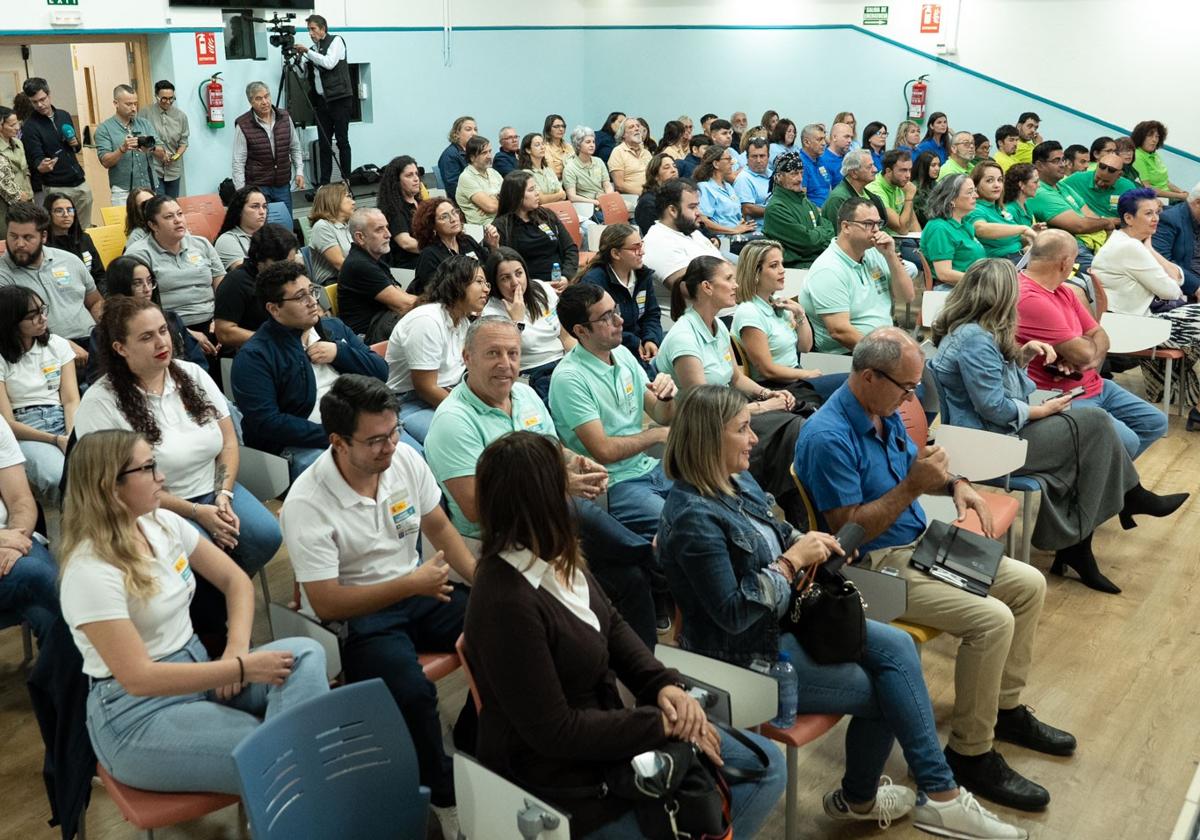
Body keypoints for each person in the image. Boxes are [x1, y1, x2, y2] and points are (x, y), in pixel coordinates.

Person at [661, 385, 1026, 838]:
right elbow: (734, 614)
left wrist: (807, 543)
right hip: (744, 657)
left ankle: (926, 796)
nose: (754, 439)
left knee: (900, 647)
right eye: (742, 430)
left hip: (784, 622)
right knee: (887, 694)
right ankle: (907, 797)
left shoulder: (735, 481)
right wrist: (792, 560)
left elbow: (778, 528)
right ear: (707, 440)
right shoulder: (694, 518)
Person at [796, 327, 1074, 813]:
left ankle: (1003, 710)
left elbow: (920, 466)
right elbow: (846, 537)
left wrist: (956, 485)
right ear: (867, 377)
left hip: (921, 542)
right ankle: (971, 751)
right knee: (993, 620)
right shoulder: (826, 436)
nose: (911, 398)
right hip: (874, 568)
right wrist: (912, 487)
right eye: (905, 388)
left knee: (1028, 585)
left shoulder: (883, 410)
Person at [464, 428, 787, 839]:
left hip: (608, 733)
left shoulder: (555, 554)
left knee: (766, 768)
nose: (575, 494)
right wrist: (661, 724)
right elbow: (555, 732)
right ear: (545, 501)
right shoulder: (505, 601)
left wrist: (664, 686)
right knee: (732, 789)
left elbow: (612, 625)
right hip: (562, 777)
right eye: (564, 483)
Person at [60, 429, 328, 795]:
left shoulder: (161, 523)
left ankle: (287, 785)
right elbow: (138, 678)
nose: (162, 477)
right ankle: (293, 781)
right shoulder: (89, 570)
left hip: (201, 671)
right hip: (139, 714)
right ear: (111, 486)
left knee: (306, 654)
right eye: (148, 468)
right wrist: (239, 667)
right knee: (272, 756)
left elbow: (236, 581)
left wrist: (236, 649)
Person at [278, 374, 476, 840]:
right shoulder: (307, 501)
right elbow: (326, 600)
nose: (390, 447)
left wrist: (481, 582)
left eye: (394, 432)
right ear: (338, 443)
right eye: (375, 441)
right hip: (356, 614)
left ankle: (476, 740)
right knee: (411, 692)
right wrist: (409, 583)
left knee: (501, 629)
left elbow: (440, 527)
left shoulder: (403, 459)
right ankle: (441, 795)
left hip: (417, 589)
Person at [931, 258, 1187, 593]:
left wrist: (1022, 357)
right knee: (1093, 426)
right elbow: (995, 408)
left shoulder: (973, 331)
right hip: (987, 441)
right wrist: (1042, 411)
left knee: (1087, 444)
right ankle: (1122, 502)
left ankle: (1080, 543)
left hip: (990, 431)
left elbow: (1001, 392)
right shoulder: (976, 338)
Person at [424, 315, 659, 644]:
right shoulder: (453, 421)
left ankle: (645, 677)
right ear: (467, 357)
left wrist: (576, 461)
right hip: (499, 541)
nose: (506, 364)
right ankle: (654, 555)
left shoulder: (525, 396)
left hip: (546, 526)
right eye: (493, 353)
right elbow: (479, 509)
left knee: (631, 578)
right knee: (578, 513)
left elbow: (552, 448)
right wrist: (558, 487)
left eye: (513, 354)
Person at [76, 297, 283, 643]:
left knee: (266, 535)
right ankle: (203, 622)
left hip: (212, 491)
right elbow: (122, 485)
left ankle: (205, 597)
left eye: (163, 331)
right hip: (149, 506)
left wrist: (223, 495)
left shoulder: (192, 374)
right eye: (146, 338)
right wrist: (197, 512)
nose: (161, 343)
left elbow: (229, 442)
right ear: (120, 348)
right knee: (202, 560)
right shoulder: (100, 402)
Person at [657, 256, 809, 521]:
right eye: (728, 279)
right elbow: (704, 407)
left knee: (799, 417)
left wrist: (767, 393)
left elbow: (737, 378)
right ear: (706, 287)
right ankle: (798, 513)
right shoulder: (684, 337)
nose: (736, 285)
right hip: (703, 426)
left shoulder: (717, 327)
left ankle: (799, 509)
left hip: (729, 411)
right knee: (792, 429)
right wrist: (763, 407)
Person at [1016, 230, 1168, 459]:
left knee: (1154, 422)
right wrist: (1085, 353)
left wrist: (1088, 360)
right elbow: (1086, 349)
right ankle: (1099, 487)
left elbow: (1100, 334)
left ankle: (1101, 485)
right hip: (1057, 395)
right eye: (1074, 260)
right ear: (1065, 262)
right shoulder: (1030, 298)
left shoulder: (1063, 290)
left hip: (1091, 384)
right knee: (1126, 440)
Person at [232, 261, 387, 480]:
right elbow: (268, 423)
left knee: (411, 458)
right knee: (352, 477)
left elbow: (381, 372)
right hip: (302, 443)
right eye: (300, 297)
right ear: (274, 309)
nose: (313, 301)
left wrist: (339, 353)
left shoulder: (333, 328)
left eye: (312, 291)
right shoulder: (255, 356)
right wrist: (335, 436)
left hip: (360, 425)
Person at [550, 282, 677, 546]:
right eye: (606, 317)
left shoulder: (621, 354)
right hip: (615, 484)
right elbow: (604, 451)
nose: (619, 320)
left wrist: (667, 397)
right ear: (581, 331)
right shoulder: (569, 378)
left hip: (649, 467)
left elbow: (662, 414)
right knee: (680, 526)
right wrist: (655, 435)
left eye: (615, 310)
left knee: (717, 497)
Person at [1093, 187, 1200, 425]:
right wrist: (1151, 254)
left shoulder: (1131, 243)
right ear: (1129, 218)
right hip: (1132, 327)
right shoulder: (1129, 247)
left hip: (1137, 320)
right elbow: (1173, 289)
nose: (1156, 219)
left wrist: (1151, 251)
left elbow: (1177, 280)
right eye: (1148, 213)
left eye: (1157, 212)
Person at [386, 255, 489, 444]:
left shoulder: (463, 321)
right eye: (479, 282)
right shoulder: (427, 320)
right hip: (410, 402)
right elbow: (425, 387)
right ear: (458, 283)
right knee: (465, 439)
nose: (486, 289)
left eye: (487, 283)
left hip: (449, 393)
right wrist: (468, 411)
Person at [799, 198, 914, 353]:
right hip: (849, 355)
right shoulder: (828, 269)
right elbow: (840, 332)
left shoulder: (875, 252)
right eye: (868, 224)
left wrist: (891, 256)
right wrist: (884, 354)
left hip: (885, 342)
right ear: (846, 227)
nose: (876, 230)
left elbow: (906, 298)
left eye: (878, 224)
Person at [0, 286, 77, 504]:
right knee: (57, 477)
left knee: (106, 468)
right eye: (33, 316)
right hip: (25, 429)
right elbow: (6, 423)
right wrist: (54, 439)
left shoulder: (58, 345)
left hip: (65, 419)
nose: (42, 319)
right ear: (11, 322)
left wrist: (71, 436)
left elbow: (71, 400)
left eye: (43, 310)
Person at [731, 239, 835, 394]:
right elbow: (767, 370)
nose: (782, 270)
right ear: (755, 273)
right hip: (776, 387)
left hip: (795, 377)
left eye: (781, 263)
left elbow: (804, 347)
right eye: (774, 265)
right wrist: (807, 374)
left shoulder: (777, 302)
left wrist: (800, 314)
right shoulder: (749, 313)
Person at [0, 202, 101, 355]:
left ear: (44, 237)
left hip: (93, 340)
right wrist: (63, 347)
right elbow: (12, 329)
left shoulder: (69, 260)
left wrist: (106, 329)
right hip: (46, 352)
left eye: (28, 237)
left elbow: (95, 301)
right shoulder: (3, 274)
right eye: (13, 236)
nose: (19, 244)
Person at [89, 253, 209, 381]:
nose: (147, 289)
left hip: (183, 386)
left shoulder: (172, 319)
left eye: (149, 281)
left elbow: (199, 364)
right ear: (121, 286)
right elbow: (98, 378)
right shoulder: (103, 332)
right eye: (137, 283)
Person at [126, 196, 224, 341]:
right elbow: (139, 304)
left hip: (212, 321)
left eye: (180, 214)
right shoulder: (139, 254)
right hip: (167, 328)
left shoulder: (201, 244)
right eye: (169, 217)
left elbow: (221, 281)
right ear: (153, 225)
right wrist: (182, 332)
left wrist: (222, 319)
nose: (178, 220)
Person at [480, 247, 573, 401]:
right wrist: (517, 320)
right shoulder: (492, 313)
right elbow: (507, 357)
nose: (515, 283)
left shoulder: (541, 289)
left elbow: (566, 335)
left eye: (519, 273)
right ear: (495, 283)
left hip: (564, 362)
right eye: (505, 278)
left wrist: (580, 362)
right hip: (533, 372)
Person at [0, 412, 58, 652]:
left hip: (13, 539)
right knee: (36, 573)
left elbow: (21, 500)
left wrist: (16, 542)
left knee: (47, 617)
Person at [577, 223, 662, 368]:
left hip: (641, 346)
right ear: (616, 253)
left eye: (641, 245)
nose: (642, 252)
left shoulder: (643, 275)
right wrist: (636, 342)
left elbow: (651, 313)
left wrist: (651, 339)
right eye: (635, 248)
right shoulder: (594, 283)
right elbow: (602, 329)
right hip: (612, 352)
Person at [1026, 141, 1116, 274]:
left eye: (1062, 159)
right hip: (1069, 248)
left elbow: (1090, 216)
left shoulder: (1062, 186)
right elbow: (1079, 226)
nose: (1063, 164)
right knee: (1106, 276)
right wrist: (1107, 222)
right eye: (1056, 160)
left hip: (1092, 242)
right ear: (1039, 165)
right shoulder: (1039, 192)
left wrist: (1104, 224)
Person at [20, 78, 92, 228]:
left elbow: (75, 147)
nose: (40, 105)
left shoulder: (64, 115)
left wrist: (75, 144)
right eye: (34, 102)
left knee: (84, 230)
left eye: (42, 99)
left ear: (49, 94)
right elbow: (36, 159)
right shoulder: (30, 126)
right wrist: (42, 165)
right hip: (56, 186)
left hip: (79, 181)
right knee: (61, 230)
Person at [213, 223, 297, 351]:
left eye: (290, 263)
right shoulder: (236, 282)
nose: (286, 270)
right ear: (260, 259)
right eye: (278, 264)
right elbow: (224, 332)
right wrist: (271, 340)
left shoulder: (291, 275)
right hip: (252, 352)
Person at [338, 207, 417, 342]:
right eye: (379, 229)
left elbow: (399, 295)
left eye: (386, 227)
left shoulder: (373, 259)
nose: (388, 234)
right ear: (360, 237)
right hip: (368, 337)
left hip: (383, 324)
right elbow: (403, 304)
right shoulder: (359, 264)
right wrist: (442, 303)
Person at [295, 14, 353, 187]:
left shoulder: (336, 41)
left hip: (340, 99)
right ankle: (324, 184)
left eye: (313, 29)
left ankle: (346, 180)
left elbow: (329, 63)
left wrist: (307, 52)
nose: (310, 33)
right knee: (324, 145)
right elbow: (303, 74)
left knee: (342, 140)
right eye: (308, 30)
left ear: (323, 28)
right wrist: (298, 60)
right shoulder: (313, 49)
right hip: (322, 102)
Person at [641, 179, 723, 300]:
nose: (698, 212)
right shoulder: (659, 242)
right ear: (672, 210)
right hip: (698, 316)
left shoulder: (692, 232)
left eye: (697, 206)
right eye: (692, 207)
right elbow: (693, 291)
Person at [231, 82, 304, 216]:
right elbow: (238, 162)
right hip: (258, 187)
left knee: (285, 224)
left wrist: (299, 171)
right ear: (250, 101)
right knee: (262, 228)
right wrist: (241, 193)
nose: (264, 102)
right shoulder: (243, 124)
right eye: (258, 99)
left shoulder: (285, 118)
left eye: (267, 96)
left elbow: (295, 147)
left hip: (282, 184)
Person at [493, 172, 578, 286]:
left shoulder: (546, 215)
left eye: (536, 188)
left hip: (560, 281)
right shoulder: (502, 226)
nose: (537, 193)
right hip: (529, 288)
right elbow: (505, 268)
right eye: (531, 190)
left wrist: (566, 277)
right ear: (517, 195)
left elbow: (570, 248)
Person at [762, 152, 835, 269]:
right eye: (794, 174)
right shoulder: (776, 209)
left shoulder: (804, 201)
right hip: (795, 270)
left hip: (818, 262)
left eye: (801, 173)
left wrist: (816, 237)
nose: (800, 179)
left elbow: (830, 229)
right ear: (779, 176)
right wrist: (820, 234)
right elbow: (808, 242)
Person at [412, 198, 497, 297]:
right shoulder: (429, 255)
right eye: (444, 217)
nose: (453, 219)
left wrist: (494, 246)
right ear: (432, 226)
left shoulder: (467, 241)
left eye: (454, 212)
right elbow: (435, 293)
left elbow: (491, 270)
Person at [921, 174, 988, 288]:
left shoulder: (964, 224)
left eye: (975, 191)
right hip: (951, 290)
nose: (976, 196)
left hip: (969, 286)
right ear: (952, 199)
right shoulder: (939, 228)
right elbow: (944, 274)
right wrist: (984, 281)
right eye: (969, 192)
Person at [95, 84, 157, 207]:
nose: (134, 108)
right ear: (116, 103)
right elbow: (105, 162)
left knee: (152, 224)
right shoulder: (104, 129)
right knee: (124, 225)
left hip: (149, 187)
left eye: (135, 103)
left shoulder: (145, 124)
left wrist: (151, 148)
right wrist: (122, 149)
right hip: (122, 191)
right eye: (128, 104)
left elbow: (162, 152)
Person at [967, 161, 1038, 263]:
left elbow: (1010, 240)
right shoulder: (975, 208)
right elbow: (980, 229)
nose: (997, 185)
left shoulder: (999, 209)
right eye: (989, 180)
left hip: (1018, 257)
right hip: (999, 265)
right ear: (975, 185)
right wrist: (1023, 229)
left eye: (1000, 180)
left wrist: (1028, 238)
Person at [694, 146, 758, 244]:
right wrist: (734, 230)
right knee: (760, 242)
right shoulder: (704, 187)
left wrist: (743, 224)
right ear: (716, 164)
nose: (732, 162)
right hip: (723, 239)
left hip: (738, 234)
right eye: (728, 159)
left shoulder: (729, 186)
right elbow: (703, 221)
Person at [44, 192, 105, 291]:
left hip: (93, 294)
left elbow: (100, 275)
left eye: (70, 210)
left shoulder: (85, 238)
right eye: (59, 211)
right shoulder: (44, 246)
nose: (66, 215)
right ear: (49, 214)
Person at [375, 155, 424, 271]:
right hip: (409, 266)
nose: (416, 178)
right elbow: (406, 243)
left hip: (425, 258)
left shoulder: (420, 203)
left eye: (416, 174)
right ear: (396, 181)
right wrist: (436, 249)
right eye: (409, 175)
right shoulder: (393, 209)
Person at [1152, 181, 1200, 297]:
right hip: (1185, 290)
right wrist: (1197, 287)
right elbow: (1162, 262)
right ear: (1198, 203)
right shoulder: (1169, 220)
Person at [1059, 151, 1139, 219]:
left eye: (1106, 181)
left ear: (1119, 175)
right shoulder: (1077, 179)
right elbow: (1055, 190)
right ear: (1096, 168)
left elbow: (1133, 217)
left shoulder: (1127, 188)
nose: (1100, 183)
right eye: (1097, 178)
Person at [306, 183, 355, 284]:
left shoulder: (348, 224)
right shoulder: (322, 226)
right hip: (334, 282)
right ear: (333, 200)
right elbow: (339, 263)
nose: (353, 202)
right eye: (348, 196)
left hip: (352, 278)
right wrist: (371, 273)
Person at [146, 80, 188, 198]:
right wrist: (158, 153)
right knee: (157, 204)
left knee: (172, 203)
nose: (168, 102)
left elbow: (184, 142)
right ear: (156, 96)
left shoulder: (181, 116)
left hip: (173, 169)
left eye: (171, 98)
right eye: (164, 98)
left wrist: (175, 157)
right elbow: (142, 139)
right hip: (154, 168)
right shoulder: (146, 113)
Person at [822, 149, 887, 225]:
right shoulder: (838, 198)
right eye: (869, 167)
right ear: (853, 173)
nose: (875, 170)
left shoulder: (870, 195)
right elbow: (840, 233)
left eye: (873, 165)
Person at [562, 126, 614, 218]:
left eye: (593, 142)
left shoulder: (599, 161)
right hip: (587, 207)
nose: (592, 145)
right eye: (588, 142)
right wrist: (596, 202)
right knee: (609, 220)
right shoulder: (570, 168)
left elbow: (607, 184)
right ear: (578, 145)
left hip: (604, 202)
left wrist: (608, 198)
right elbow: (572, 196)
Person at [867, 150, 921, 238]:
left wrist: (921, 243)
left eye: (909, 170)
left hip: (899, 239)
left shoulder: (900, 184)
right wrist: (909, 198)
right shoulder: (875, 190)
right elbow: (902, 229)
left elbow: (913, 222)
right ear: (888, 171)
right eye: (903, 170)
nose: (908, 175)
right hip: (882, 242)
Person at [213, 186, 268, 271]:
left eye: (264, 206)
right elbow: (246, 274)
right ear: (239, 211)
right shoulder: (227, 240)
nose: (262, 212)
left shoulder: (271, 234)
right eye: (255, 206)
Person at [1131, 120, 1187, 202]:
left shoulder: (1154, 154)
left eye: (1157, 136)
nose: (1154, 140)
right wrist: (1180, 196)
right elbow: (1148, 188)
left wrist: (1181, 191)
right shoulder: (1138, 156)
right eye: (1150, 136)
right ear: (1141, 137)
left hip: (1169, 195)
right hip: (1159, 199)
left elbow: (1165, 182)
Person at [456, 136, 503, 227]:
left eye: (490, 151)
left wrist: (494, 199)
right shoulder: (466, 177)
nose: (489, 156)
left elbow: (513, 197)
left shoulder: (493, 172)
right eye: (484, 153)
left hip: (502, 220)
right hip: (486, 227)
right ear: (472, 157)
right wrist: (499, 199)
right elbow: (491, 207)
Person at [0, 105, 34, 235]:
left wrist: (28, 195)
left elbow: (25, 171)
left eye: (17, 123)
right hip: (7, 206)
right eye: (12, 125)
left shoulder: (18, 143)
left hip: (27, 200)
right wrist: (20, 197)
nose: (17, 128)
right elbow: (3, 182)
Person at [633, 152, 678, 235]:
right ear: (655, 176)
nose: (673, 170)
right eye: (667, 167)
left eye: (674, 166)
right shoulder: (648, 203)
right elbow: (655, 235)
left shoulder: (676, 196)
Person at [733, 137, 772, 232]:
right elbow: (747, 209)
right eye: (754, 156)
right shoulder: (743, 178)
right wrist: (777, 212)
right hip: (759, 232)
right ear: (747, 158)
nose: (758, 160)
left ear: (768, 157)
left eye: (762, 156)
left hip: (776, 227)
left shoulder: (772, 174)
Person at [607, 117, 652, 197]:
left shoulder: (646, 153)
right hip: (632, 197)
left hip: (651, 194)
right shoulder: (618, 152)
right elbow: (619, 185)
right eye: (632, 127)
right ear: (623, 134)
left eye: (638, 126)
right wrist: (644, 193)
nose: (637, 129)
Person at [519, 133, 567, 204]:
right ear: (528, 150)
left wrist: (557, 196)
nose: (542, 147)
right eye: (537, 145)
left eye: (543, 144)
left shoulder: (548, 170)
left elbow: (564, 195)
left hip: (557, 207)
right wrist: (559, 195)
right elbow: (541, 200)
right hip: (539, 211)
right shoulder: (527, 173)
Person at [437, 116, 476, 200]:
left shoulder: (473, 152)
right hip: (464, 203)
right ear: (456, 133)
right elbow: (453, 187)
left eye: (475, 129)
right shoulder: (449, 155)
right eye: (468, 129)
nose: (474, 133)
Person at [799, 123, 833, 207]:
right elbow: (802, 199)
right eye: (819, 139)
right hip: (815, 213)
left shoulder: (821, 159)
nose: (824, 143)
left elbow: (828, 188)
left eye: (824, 139)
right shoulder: (800, 163)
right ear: (806, 142)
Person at [818, 122, 854, 190]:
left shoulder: (850, 157)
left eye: (851, 137)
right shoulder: (823, 160)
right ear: (834, 137)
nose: (850, 141)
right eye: (846, 137)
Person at [912, 151, 941, 226]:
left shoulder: (936, 185)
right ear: (924, 167)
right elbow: (925, 216)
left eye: (938, 165)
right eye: (933, 165)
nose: (937, 168)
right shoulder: (915, 188)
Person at [541, 115, 575, 179]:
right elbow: (553, 174)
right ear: (548, 129)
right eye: (556, 126)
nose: (561, 129)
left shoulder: (568, 146)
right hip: (555, 182)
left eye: (563, 126)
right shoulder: (545, 148)